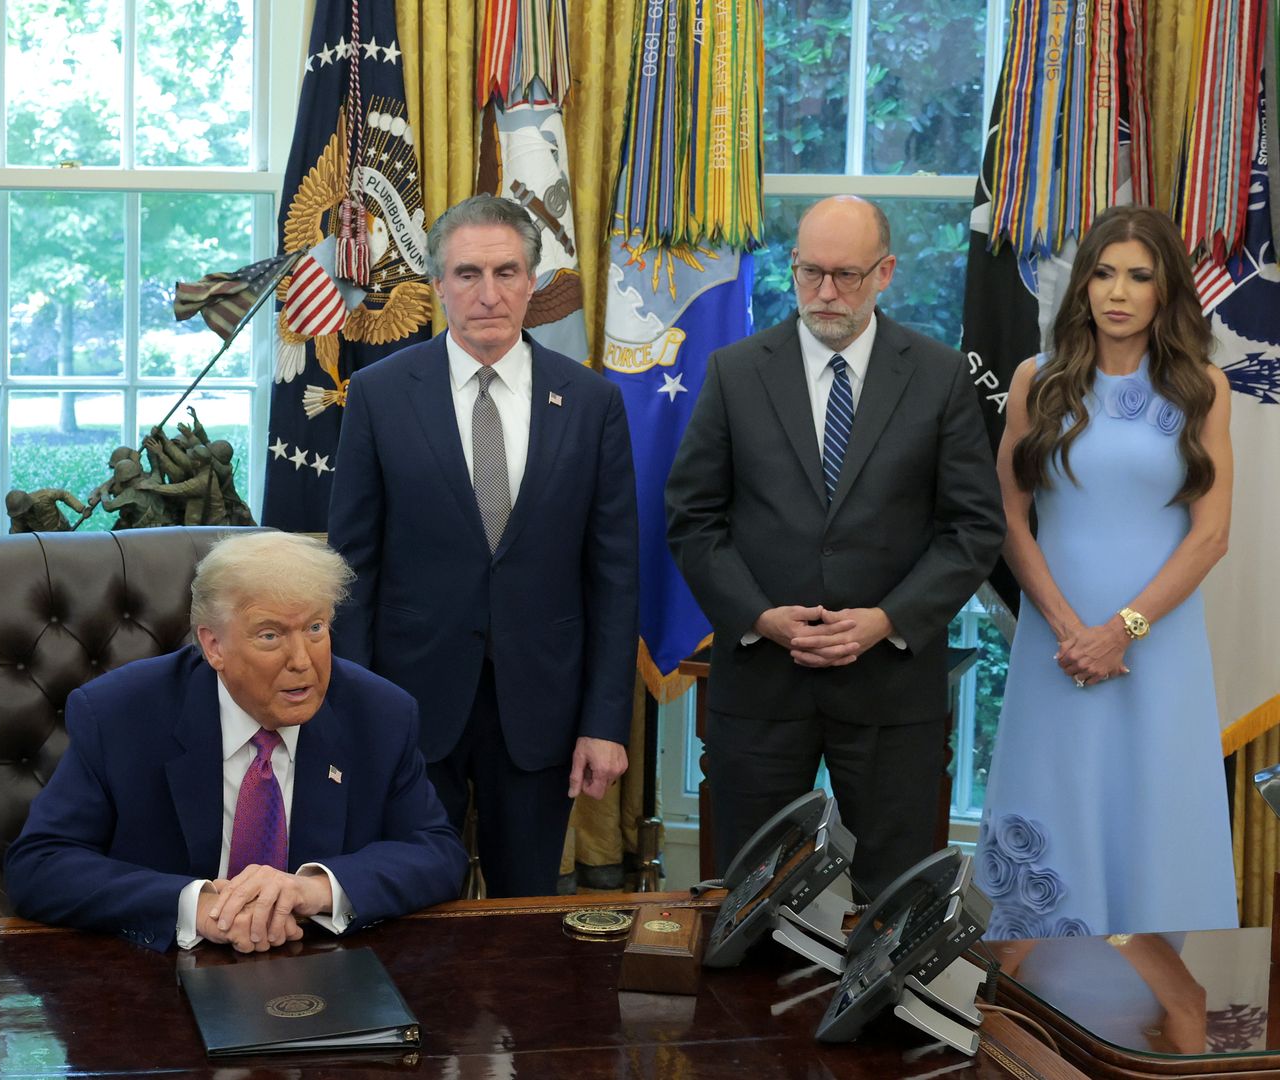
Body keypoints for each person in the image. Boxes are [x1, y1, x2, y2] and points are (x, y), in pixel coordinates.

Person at [663, 195, 1003, 900]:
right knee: (752, 900)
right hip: (762, 684)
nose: (825, 292)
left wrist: (888, 620)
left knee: (897, 904)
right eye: (810, 272)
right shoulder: (735, 371)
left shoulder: (938, 375)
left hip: (891, 689)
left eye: (846, 275)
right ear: (792, 266)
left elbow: (972, 528)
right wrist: (759, 617)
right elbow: (692, 518)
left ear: (886, 273)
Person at [327, 194, 639, 897]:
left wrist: (604, 722)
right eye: (468, 274)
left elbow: (615, 576)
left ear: (532, 281)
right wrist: (352, 711)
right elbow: (351, 568)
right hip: (408, 704)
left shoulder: (591, 403)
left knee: (524, 912)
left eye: (506, 272)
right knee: (407, 901)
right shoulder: (378, 395)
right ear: (439, 284)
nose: (488, 294)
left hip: (542, 709)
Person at [5, 531, 467, 950]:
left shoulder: (380, 714)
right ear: (214, 646)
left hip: (326, 970)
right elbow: (40, 865)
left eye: (315, 628)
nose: (302, 660)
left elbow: (438, 852)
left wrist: (314, 889)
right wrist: (196, 905)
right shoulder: (119, 715)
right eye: (270, 635)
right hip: (162, 975)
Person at [977, 205, 1236, 937]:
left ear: (1165, 290)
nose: (1118, 292)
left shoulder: (1202, 387)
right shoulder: (1036, 380)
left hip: (1159, 647)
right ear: (1083, 286)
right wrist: (1072, 632)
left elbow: (1211, 536)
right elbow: (1007, 517)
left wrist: (1121, 631)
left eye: (1139, 276)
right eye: (1103, 273)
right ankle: (1034, 1004)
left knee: (1155, 808)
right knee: (1052, 808)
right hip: (1054, 647)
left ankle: (1160, 999)